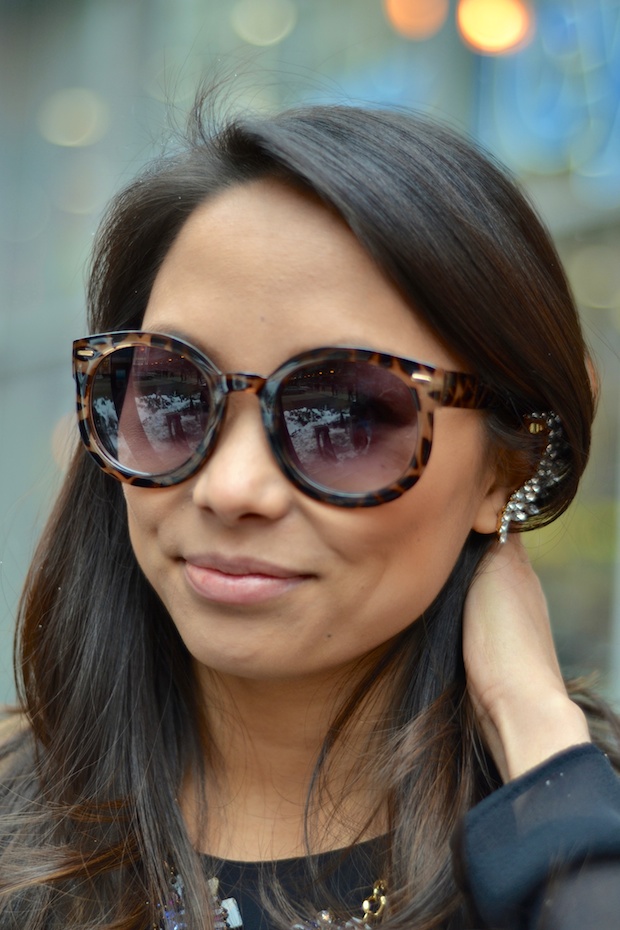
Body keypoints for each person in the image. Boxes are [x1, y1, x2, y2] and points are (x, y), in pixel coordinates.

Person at [1, 100, 619, 930]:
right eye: (175, 393)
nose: (231, 488)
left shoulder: (581, 828)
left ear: (502, 471)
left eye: (349, 415)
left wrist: (534, 724)